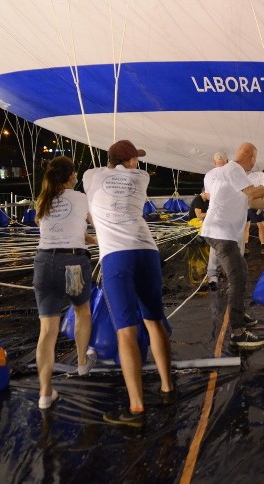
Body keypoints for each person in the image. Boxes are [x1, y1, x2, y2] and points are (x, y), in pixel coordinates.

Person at [83, 140, 173, 427]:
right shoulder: (141, 178)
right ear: (131, 162)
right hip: (146, 251)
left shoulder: (91, 177)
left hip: (116, 257)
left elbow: (99, 174)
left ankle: (136, 407)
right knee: (154, 320)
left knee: (126, 332)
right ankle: (167, 387)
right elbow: (121, 169)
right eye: (137, 159)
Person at [202, 143, 264, 349]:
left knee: (242, 271)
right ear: (250, 156)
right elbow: (253, 193)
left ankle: (239, 315)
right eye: (255, 158)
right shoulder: (234, 169)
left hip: (221, 232)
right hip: (221, 233)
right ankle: (237, 332)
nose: (255, 164)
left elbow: (251, 202)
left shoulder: (234, 175)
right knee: (237, 277)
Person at [33, 156, 98, 410]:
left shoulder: (43, 200)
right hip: (72, 264)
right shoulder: (81, 198)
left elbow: (65, 230)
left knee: (47, 331)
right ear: (71, 176)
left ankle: (45, 394)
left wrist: (90, 240)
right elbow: (96, 223)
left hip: (43, 263)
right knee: (82, 311)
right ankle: (82, 362)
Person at [204, 151, 228, 291]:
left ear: (214, 162)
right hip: (228, 213)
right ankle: (232, 274)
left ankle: (213, 275)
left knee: (215, 245)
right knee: (234, 243)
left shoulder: (208, 175)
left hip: (213, 213)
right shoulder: (231, 172)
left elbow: (207, 195)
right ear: (227, 161)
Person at [244, 166, 264, 255]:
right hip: (253, 202)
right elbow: (261, 191)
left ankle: (244, 248)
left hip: (243, 203)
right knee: (261, 225)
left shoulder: (252, 175)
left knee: (246, 226)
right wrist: (261, 205)